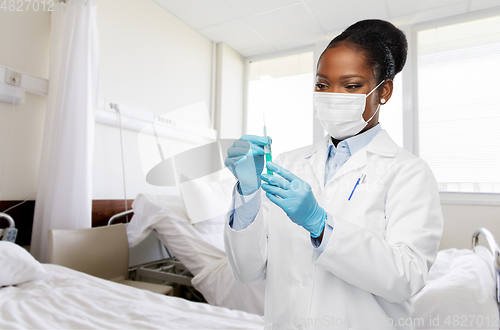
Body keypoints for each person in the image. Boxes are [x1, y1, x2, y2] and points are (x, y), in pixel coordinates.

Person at [224, 19, 443, 330]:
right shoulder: (288, 163)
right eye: (322, 84)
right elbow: (248, 272)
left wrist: (320, 224)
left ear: (385, 91)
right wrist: (247, 193)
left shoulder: (408, 172)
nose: (333, 95)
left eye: (351, 85)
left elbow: (406, 277)